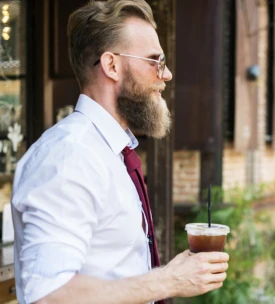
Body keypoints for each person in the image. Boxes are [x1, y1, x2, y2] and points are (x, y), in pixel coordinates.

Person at [10, 1, 229, 303]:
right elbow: (48, 295)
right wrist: (169, 280)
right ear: (112, 65)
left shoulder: (109, 151)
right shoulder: (69, 156)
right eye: (155, 61)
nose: (166, 75)